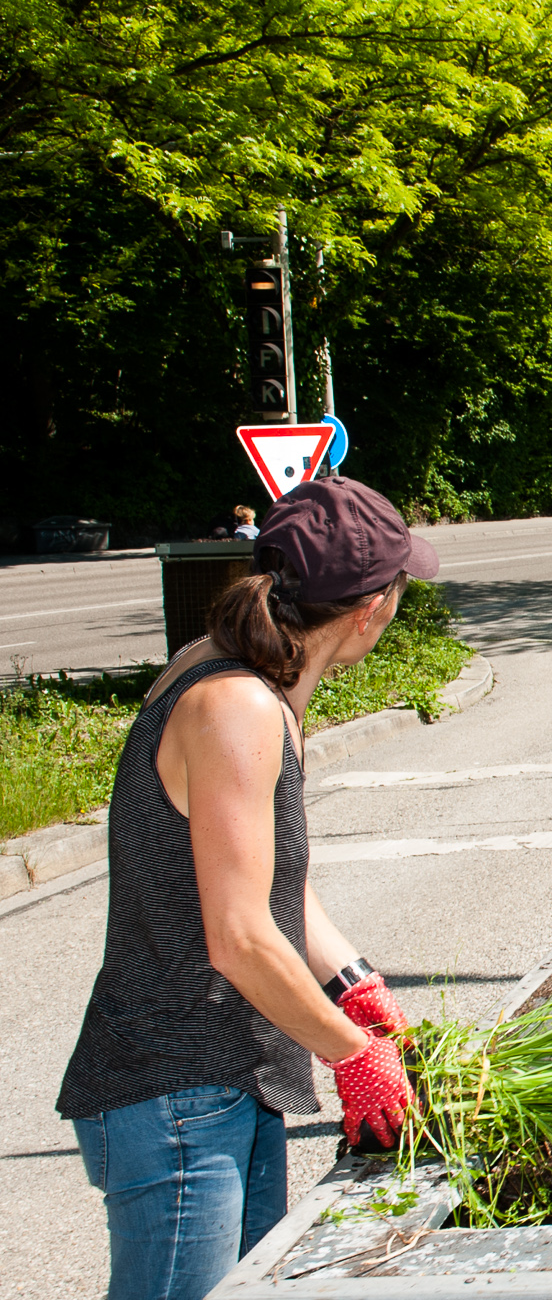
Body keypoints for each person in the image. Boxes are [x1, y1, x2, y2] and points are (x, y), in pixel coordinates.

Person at [58, 478, 432, 1300]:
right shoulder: (236, 707)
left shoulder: (246, 680)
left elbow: (275, 891)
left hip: (225, 1081)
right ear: (371, 608)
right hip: (180, 1091)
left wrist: (351, 983)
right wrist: (351, 1051)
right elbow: (239, 935)